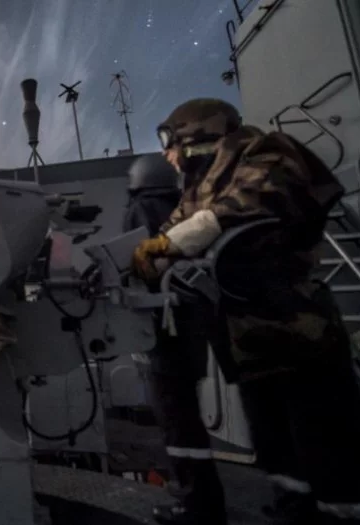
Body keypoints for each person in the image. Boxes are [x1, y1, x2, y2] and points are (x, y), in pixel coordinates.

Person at [132, 97, 360, 524]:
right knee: (275, 445)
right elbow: (174, 231)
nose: (167, 154)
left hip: (299, 331)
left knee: (328, 445)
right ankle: (293, 513)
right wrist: (144, 258)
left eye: (171, 141)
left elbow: (260, 198)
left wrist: (179, 240)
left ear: (196, 134)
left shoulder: (267, 151)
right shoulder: (200, 188)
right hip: (247, 339)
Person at [123, 154, 228, 525]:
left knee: (176, 416)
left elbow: (143, 264)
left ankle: (197, 504)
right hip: (194, 323)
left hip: (165, 327)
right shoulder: (182, 208)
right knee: (187, 415)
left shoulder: (142, 208)